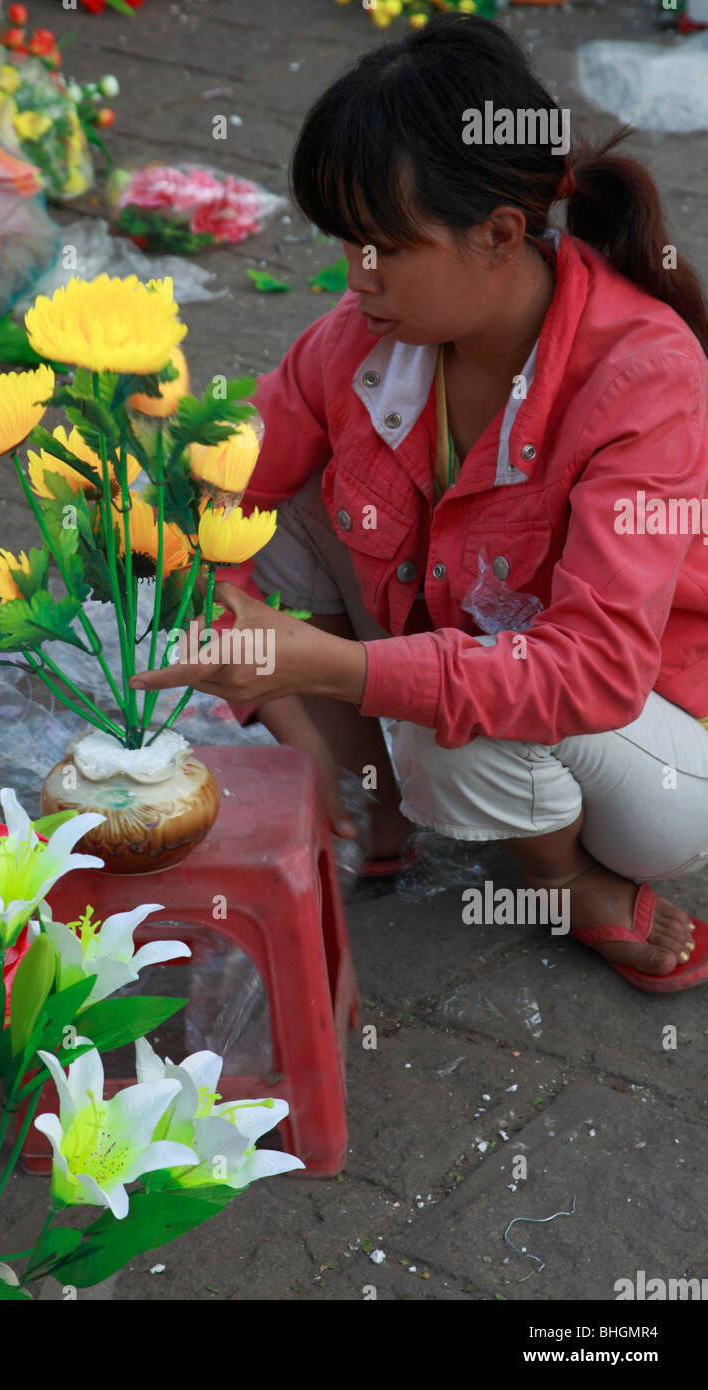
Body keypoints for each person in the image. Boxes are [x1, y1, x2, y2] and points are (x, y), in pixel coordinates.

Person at [131, 14, 708, 992]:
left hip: (652, 743)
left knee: (462, 724)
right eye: (345, 244)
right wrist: (298, 726)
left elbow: (596, 673)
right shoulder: (354, 344)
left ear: (497, 234)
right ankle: (372, 798)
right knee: (270, 514)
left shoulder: (642, 375)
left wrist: (338, 665)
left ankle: (560, 874)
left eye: (383, 248)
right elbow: (202, 507)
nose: (357, 279)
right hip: (463, 655)